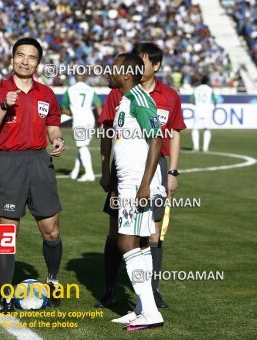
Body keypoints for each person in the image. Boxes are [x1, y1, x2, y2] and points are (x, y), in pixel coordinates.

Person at [97, 42, 186, 309]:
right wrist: (106, 171)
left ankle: (147, 303)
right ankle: (134, 301)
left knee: (141, 238)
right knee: (123, 236)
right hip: (126, 175)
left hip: (143, 175)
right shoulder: (123, 97)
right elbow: (108, 132)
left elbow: (162, 137)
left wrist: (164, 174)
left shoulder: (151, 98)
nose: (109, 72)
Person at [0, 37, 65, 313]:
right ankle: (5, 295)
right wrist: (4, 106)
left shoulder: (47, 93)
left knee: (51, 230)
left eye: (31, 57)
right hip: (9, 163)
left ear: (38, 63)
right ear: (12, 58)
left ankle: (52, 283)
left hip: (40, 162)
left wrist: (57, 139)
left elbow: (53, 125)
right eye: (20, 55)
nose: (25, 61)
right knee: (6, 232)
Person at [106, 53, 165, 330]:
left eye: (114, 69)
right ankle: (142, 307)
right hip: (128, 183)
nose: (109, 72)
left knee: (125, 242)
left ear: (126, 74)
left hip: (138, 184)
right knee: (140, 244)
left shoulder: (140, 99)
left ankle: (150, 312)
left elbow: (156, 140)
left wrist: (143, 184)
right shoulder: (126, 101)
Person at [61, 73, 102, 182]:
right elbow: (98, 105)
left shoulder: (69, 90)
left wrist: (72, 113)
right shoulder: (90, 89)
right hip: (90, 120)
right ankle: (75, 171)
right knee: (82, 145)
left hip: (79, 121)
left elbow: (64, 109)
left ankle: (90, 173)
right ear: (85, 78)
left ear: (75, 78)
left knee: (82, 146)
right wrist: (102, 122)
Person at [191, 75, 216, 152]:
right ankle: (205, 148)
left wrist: (196, 104)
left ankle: (196, 147)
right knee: (207, 129)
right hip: (207, 111)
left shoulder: (196, 89)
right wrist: (213, 108)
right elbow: (215, 100)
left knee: (195, 129)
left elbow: (191, 99)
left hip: (198, 110)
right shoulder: (210, 89)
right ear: (208, 81)